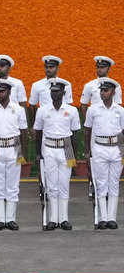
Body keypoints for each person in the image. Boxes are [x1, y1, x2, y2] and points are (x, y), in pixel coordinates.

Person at [34, 78, 80, 231]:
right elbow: (38, 133)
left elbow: (75, 134)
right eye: (52, 91)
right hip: (49, 148)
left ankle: (64, 218)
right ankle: (53, 219)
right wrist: (38, 153)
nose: (54, 94)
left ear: (63, 92)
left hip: (65, 148)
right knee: (52, 185)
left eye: (57, 91)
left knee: (64, 184)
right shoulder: (43, 110)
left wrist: (73, 155)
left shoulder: (72, 110)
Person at [0, 79, 28, 230]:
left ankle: (10, 218)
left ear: (9, 92)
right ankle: (0, 219)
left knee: (12, 185)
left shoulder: (18, 109)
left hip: (13, 147)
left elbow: (23, 131)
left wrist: (24, 153)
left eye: (2, 91)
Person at [84, 77, 124, 229]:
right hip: (99, 147)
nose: (102, 93)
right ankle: (102, 218)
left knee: (114, 183)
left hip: (115, 148)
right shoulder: (93, 109)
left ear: (113, 92)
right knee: (100, 184)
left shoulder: (120, 110)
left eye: (105, 91)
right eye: (101, 90)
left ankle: (112, 218)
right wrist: (87, 152)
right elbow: (87, 131)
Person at [28, 56, 73, 127]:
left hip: (62, 121)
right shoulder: (36, 85)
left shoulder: (66, 84)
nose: (48, 69)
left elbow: (69, 104)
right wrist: (33, 126)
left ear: (57, 68)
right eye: (46, 67)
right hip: (44, 121)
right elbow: (32, 106)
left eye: (51, 67)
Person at [80, 56, 122, 121]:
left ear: (108, 69)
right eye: (98, 67)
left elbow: (118, 105)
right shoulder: (89, 85)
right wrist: (88, 122)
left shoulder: (116, 85)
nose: (99, 69)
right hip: (95, 118)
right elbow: (84, 105)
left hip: (111, 119)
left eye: (102, 67)